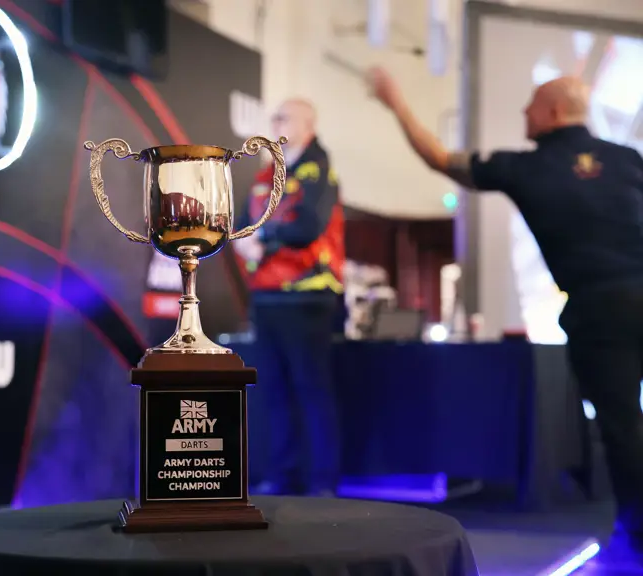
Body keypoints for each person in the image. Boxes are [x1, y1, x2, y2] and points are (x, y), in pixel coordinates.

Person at [367, 68, 643, 549]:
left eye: (532, 104)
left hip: (602, 312)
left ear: (554, 112)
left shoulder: (526, 167)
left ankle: (636, 530)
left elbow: (439, 158)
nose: (523, 112)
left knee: (622, 425)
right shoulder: (628, 159)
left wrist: (397, 103)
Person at [234, 99, 345, 497]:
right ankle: (283, 477)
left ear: (308, 125)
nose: (276, 123)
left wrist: (262, 238)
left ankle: (322, 483)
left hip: (308, 298)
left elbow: (307, 227)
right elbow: (244, 226)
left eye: (284, 117)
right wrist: (244, 243)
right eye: (274, 117)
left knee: (312, 390)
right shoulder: (266, 174)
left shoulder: (319, 170)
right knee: (275, 392)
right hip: (266, 297)